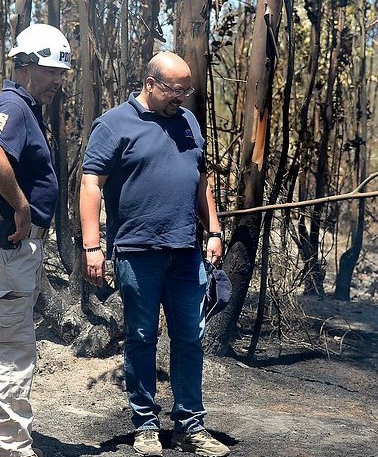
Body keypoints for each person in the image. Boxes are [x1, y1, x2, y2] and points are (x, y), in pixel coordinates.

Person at [79, 51, 230, 457]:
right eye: (174, 90)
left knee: (190, 339)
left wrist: (213, 230)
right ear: (151, 83)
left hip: (185, 252)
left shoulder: (188, 122)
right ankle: (145, 424)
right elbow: (91, 183)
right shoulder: (113, 125)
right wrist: (92, 245)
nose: (180, 98)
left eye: (186, 90)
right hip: (137, 251)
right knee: (142, 338)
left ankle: (190, 426)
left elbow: (201, 180)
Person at [0, 23, 70, 457]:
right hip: (8, 242)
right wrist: (23, 206)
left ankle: (1, 441)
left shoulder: (23, 105)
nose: (58, 81)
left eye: (62, 72)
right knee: (13, 346)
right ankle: (10, 447)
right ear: (26, 66)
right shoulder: (13, 105)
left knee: (5, 342)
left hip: (10, 246)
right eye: (51, 71)